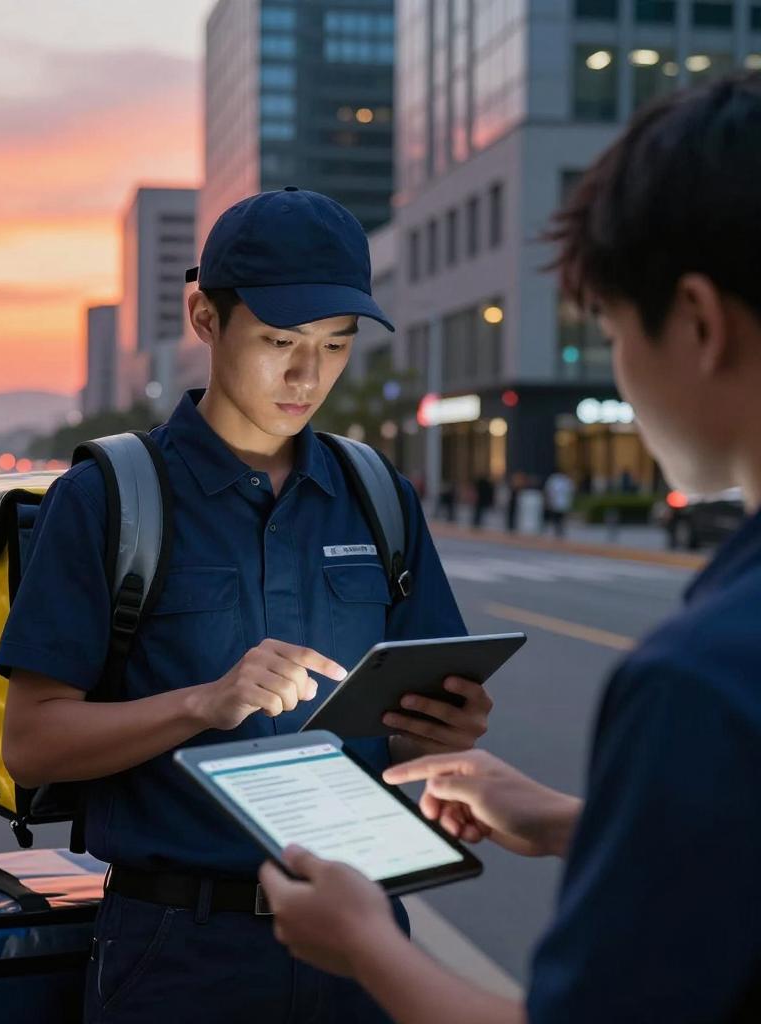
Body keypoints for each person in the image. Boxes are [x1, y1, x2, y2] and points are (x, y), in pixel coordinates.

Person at [258, 73, 761, 1023]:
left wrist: (362, 942)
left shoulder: (701, 680)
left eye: (609, 326)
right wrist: (582, 822)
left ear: (696, 322)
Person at [0, 188, 494, 1024]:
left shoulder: (376, 495)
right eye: (279, 342)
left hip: (360, 941)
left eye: (336, 347)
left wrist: (443, 728)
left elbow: (410, 719)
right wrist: (203, 702)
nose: (309, 376)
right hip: (179, 950)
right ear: (204, 318)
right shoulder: (110, 498)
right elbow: (33, 742)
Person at [541, 469, 575, 538]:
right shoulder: (566, 480)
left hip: (556, 502)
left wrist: (548, 500)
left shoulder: (554, 479)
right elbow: (571, 491)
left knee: (556, 517)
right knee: (560, 517)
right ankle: (559, 530)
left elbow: (548, 491)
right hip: (562, 502)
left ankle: (558, 530)